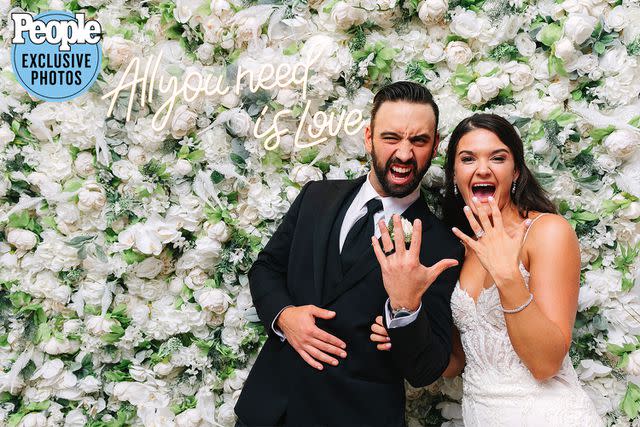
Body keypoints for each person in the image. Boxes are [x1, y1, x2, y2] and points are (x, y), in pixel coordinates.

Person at [234, 81, 464, 426]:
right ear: (369, 138)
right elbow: (267, 268)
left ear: (434, 147)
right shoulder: (316, 196)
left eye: (419, 140)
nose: (404, 153)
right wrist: (284, 316)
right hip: (269, 409)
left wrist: (406, 311)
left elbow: (426, 369)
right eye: (391, 138)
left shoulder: (441, 246)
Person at [369, 113, 602, 426]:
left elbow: (546, 364)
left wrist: (508, 278)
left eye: (498, 157)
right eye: (468, 158)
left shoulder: (547, 232)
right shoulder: (457, 248)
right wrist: (407, 323)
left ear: (515, 170)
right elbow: (454, 363)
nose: (482, 168)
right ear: (454, 174)